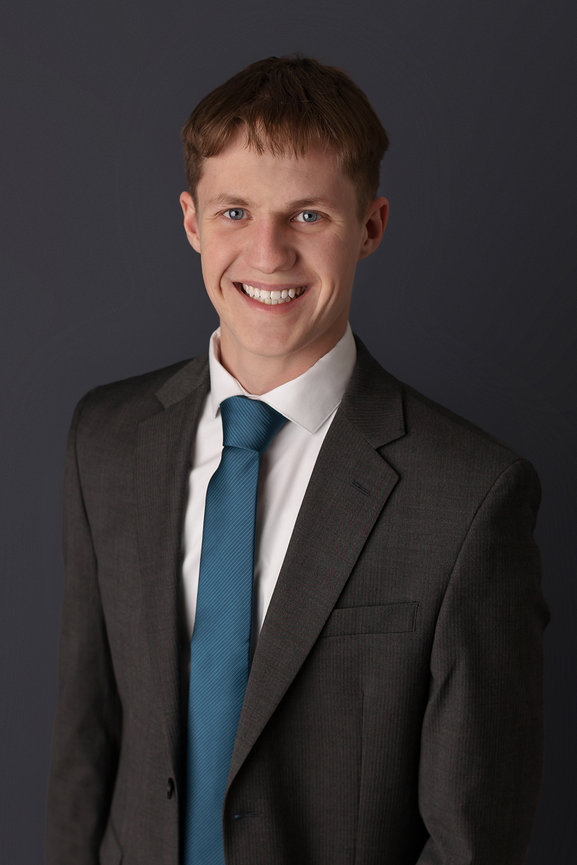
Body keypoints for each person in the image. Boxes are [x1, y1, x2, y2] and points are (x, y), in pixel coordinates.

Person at [46, 56, 548, 865]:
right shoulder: (105, 440)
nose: (268, 251)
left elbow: (471, 837)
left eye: (308, 215)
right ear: (190, 222)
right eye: (235, 211)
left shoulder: (469, 495)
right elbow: (85, 744)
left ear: (372, 225)